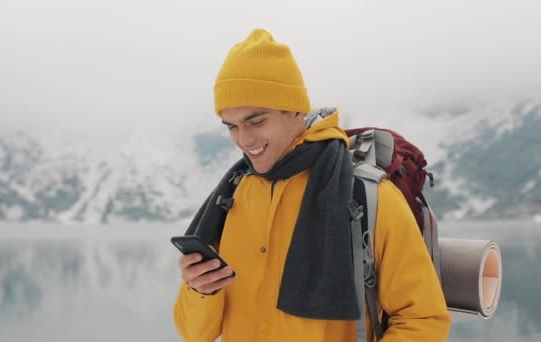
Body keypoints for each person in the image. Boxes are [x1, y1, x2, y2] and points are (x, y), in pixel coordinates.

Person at [173, 28, 451, 342]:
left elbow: (423, 319)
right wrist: (200, 290)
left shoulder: (367, 196)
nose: (244, 140)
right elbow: (195, 334)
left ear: (294, 109)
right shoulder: (232, 198)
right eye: (232, 127)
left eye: (256, 121)